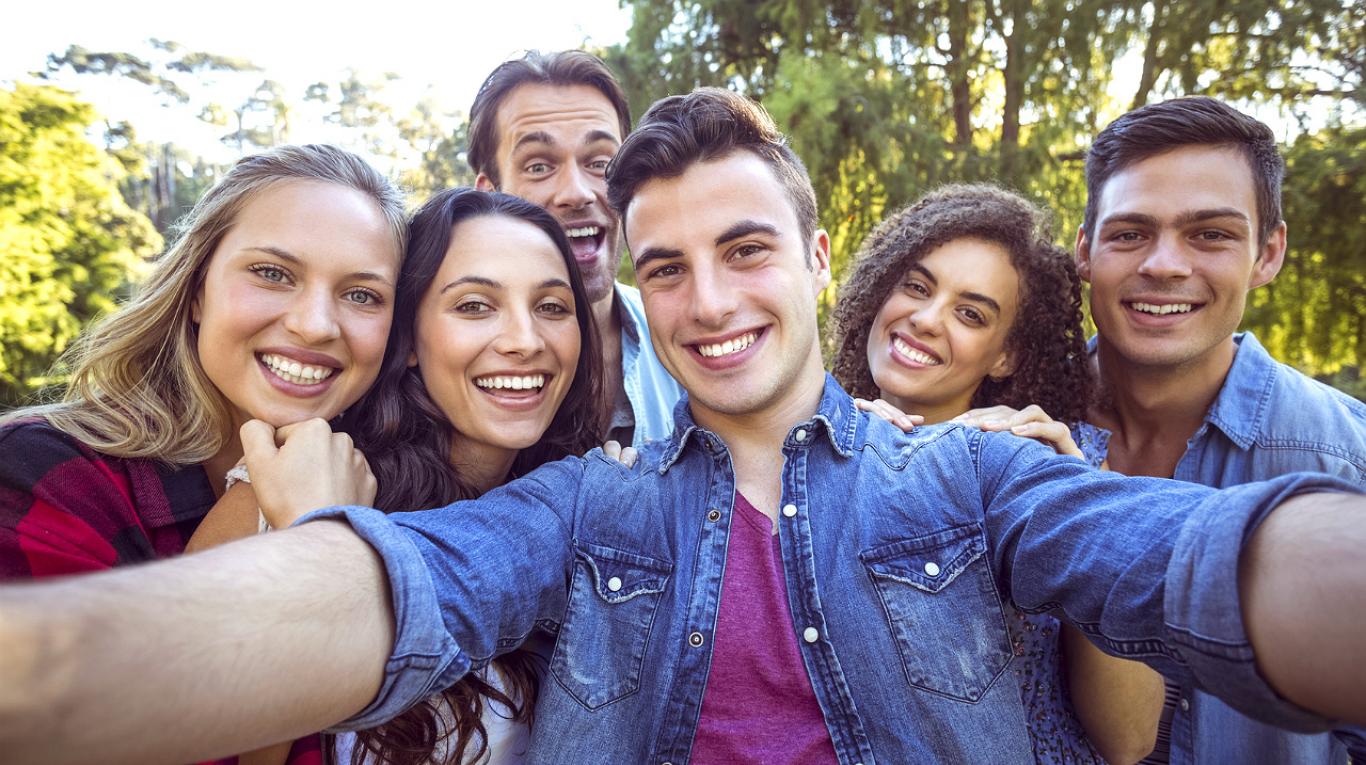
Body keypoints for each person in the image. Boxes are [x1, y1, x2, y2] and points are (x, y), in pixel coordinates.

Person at [2, 88, 1365, 765]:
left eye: (746, 249)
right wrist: (46, 671)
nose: (708, 302)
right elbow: (393, 585)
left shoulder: (972, 476)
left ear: (821, 255)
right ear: (634, 295)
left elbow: (1194, 559)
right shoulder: (591, 505)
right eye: (664, 267)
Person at [0, 144, 406, 765]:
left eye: (362, 295)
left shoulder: (394, 492)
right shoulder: (43, 477)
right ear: (196, 291)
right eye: (272, 273)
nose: (317, 324)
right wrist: (294, 532)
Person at [1072, 96, 1366, 764]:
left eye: (1210, 234)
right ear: (1086, 251)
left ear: (1268, 252)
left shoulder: (1349, 467)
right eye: (1129, 233)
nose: (1166, 264)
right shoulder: (1004, 431)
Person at [831, 183, 1164, 764]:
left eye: (970, 313)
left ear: (1006, 354)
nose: (925, 319)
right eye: (916, 286)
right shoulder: (808, 445)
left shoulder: (1056, 466)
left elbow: (1129, 740)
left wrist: (1081, 515)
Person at [313, 188, 605, 765]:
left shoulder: (595, 506)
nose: (525, 341)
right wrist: (317, 544)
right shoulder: (310, 488)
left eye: (551, 307)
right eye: (474, 305)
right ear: (410, 339)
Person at [467, 50, 683, 445]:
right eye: (538, 166)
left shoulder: (687, 336)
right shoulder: (451, 364)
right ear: (489, 197)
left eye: (600, 162)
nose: (576, 193)